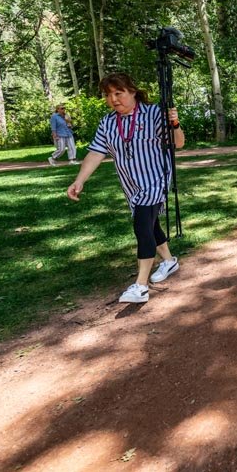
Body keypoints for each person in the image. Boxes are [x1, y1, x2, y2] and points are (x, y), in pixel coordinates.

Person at [66, 73, 185, 304]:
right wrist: (79, 180)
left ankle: (141, 286)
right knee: (151, 224)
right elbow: (96, 152)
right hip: (131, 184)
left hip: (155, 179)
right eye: (108, 95)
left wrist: (175, 124)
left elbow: (177, 143)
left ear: (132, 91)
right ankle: (169, 261)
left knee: (142, 226)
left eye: (118, 93)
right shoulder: (108, 122)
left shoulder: (153, 114)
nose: (113, 99)